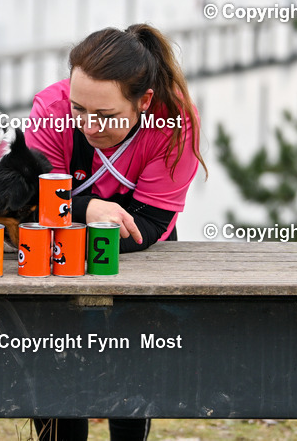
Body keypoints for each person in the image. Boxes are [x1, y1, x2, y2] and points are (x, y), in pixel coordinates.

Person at [25, 23, 206, 441]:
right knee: (54, 357)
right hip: (64, 245)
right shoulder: (51, 111)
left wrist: (69, 215)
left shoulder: (175, 123)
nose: (88, 125)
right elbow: (30, 201)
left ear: (144, 101)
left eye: (105, 115)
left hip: (142, 248)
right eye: (79, 109)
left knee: (132, 361)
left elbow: (151, 223)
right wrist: (89, 207)